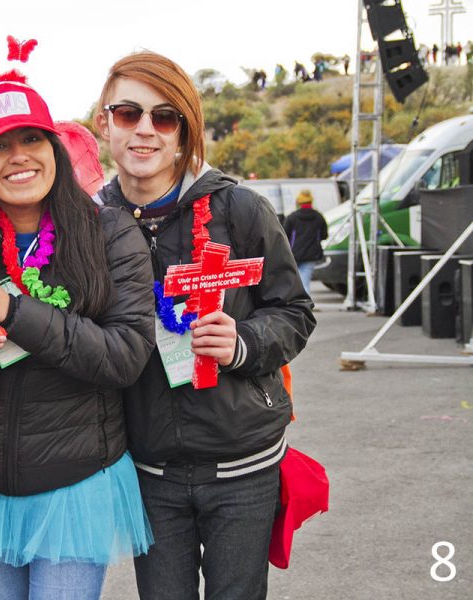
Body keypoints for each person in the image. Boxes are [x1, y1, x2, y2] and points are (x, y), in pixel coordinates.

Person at [0, 67, 156, 600]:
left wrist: (13, 310)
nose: (19, 155)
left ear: (55, 146)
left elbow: (126, 356)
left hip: (78, 478)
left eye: (31, 139)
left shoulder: (110, 232)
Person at [94, 51, 316, 600]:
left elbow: (295, 310)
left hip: (243, 460)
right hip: (148, 465)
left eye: (164, 117)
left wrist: (242, 342)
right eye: (128, 113)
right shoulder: (90, 223)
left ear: (183, 132)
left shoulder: (239, 209)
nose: (145, 130)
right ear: (104, 122)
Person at [283, 190, 328, 295]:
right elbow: (324, 235)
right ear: (311, 201)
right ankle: (306, 306)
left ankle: (294, 305)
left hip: (293, 254)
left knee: (292, 282)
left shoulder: (292, 217)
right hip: (311, 255)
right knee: (305, 281)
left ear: (299, 202)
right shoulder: (319, 217)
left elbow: (284, 235)